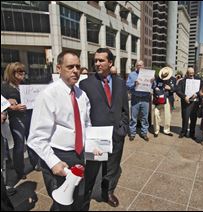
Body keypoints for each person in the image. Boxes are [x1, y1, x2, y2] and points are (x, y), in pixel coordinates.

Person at [27, 50, 91, 211]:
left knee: (78, 198)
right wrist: (53, 162)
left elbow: (86, 125)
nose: (75, 70)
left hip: (79, 154)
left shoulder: (82, 95)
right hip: (59, 156)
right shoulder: (48, 95)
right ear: (58, 68)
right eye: (70, 66)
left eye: (78, 66)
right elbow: (36, 138)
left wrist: (93, 144)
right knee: (62, 204)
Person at [79, 48, 129, 209]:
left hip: (116, 134)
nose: (98, 63)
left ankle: (108, 192)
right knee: (92, 168)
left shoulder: (120, 83)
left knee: (113, 167)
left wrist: (123, 128)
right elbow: (83, 112)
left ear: (110, 63)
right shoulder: (85, 84)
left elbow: (124, 109)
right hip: (96, 136)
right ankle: (85, 196)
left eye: (101, 60)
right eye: (96, 60)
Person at [1, 62, 28, 180]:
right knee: (20, 145)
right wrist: (11, 106)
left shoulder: (24, 84)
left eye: (23, 71)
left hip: (29, 116)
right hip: (16, 118)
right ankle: (20, 170)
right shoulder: (4, 87)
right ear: (12, 73)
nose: (22, 74)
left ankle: (36, 162)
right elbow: (2, 104)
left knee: (32, 141)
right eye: (19, 71)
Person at [126, 60, 152, 141]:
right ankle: (132, 133)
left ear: (144, 66)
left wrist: (153, 82)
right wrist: (134, 84)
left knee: (145, 117)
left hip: (145, 98)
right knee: (133, 117)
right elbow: (127, 85)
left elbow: (153, 86)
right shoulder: (132, 74)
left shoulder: (149, 74)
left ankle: (144, 133)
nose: (140, 67)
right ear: (135, 66)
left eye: (141, 65)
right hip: (135, 98)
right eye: (138, 65)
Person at [176, 67, 201, 140]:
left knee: (193, 119)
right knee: (185, 118)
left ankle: (192, 134)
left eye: (193, 74)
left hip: (195, 102)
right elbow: (178, 90)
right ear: (187, 74)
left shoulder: (198, 80)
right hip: (186, 102)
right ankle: (183, 132)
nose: (192, 76)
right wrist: (184, 97)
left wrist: (197, 94)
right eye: (190, 74)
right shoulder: (182, 81)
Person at [152, 67, 176, 137]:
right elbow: (153, 86)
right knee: (156, 113)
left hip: (168, 98)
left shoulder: (173, 79)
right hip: (159, 99)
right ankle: (156, 130)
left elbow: (176, 89)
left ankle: (166, 130)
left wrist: (170, 88)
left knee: (168, 115)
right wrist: (155, 89)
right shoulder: (158, 78)